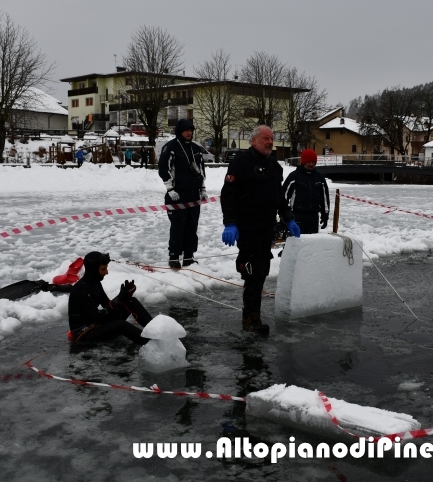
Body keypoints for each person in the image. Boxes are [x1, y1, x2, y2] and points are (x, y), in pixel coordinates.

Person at [220, 125, 300, 335]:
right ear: (254, 141)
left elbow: (279, 197)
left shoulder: (274, 166)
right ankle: (250, 318)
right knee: (252, 272)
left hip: (266, 229)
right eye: (266, 138)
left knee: (262, 270)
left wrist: (288, 218)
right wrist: (230, 222)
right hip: (247, 228)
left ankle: (254, 315)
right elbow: (228, 194)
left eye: (272, 139)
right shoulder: (241, 163)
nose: (270, 142)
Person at [68, 251, 153, 344]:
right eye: (103, 269)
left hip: (96, 324)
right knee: (121, 325)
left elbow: (107, 305)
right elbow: (98, 316)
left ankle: (156, 331)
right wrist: (119, 298)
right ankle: (151, 343)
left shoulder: (96, 283)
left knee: (131, 302)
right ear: (93, 270)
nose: (107, 272)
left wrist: (124, 297)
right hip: (84, 334)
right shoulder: (81, 289)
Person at [159, 118, 208, 268]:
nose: (189, 133)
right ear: (180, 131)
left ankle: (188, 256)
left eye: (191, 130)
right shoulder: (171, 147)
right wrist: (170, 189)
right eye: (186, 130)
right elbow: (163, 168)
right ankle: (174, 257)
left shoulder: (196, 148)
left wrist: (203, 189)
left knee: (192, 226)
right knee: (178, 227)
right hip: (177, 195)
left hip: (193, 195)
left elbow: (201, 170)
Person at [283, 149, 330, 234]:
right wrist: (285, 215)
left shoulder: (319, 178)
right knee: (297, 244)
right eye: (309, 161)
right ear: (303, 161)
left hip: (313, 217)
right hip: (297, 216)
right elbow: (284, 196)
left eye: (313, 162)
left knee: (311, 244)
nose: (311, 164)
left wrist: (325, 214)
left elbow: (324, 198)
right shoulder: (294, 176)